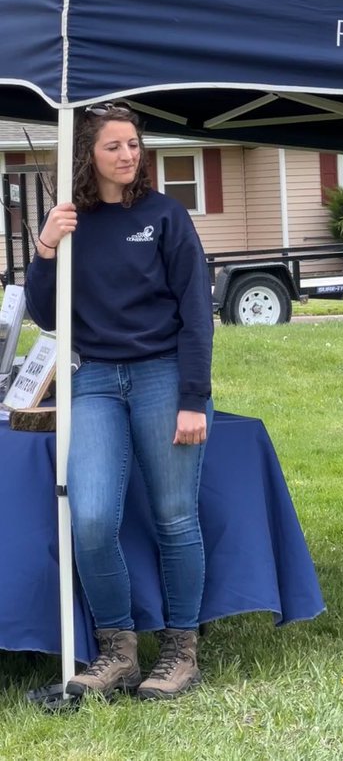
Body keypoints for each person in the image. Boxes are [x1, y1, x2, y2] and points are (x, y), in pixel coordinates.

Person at [24, 101, 214, 700]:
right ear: (89, 155)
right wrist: (46, 247)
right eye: (114, 146)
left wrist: (192, 398)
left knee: (175, 517)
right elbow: (43, 313)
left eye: (133, 144)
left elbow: (196, 315)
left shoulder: (165, 216)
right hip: (95, 380)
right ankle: (117, 654)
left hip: (163, 375)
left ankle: (181, 652)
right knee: (90, 518)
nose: (128, 155)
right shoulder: (72, 222)